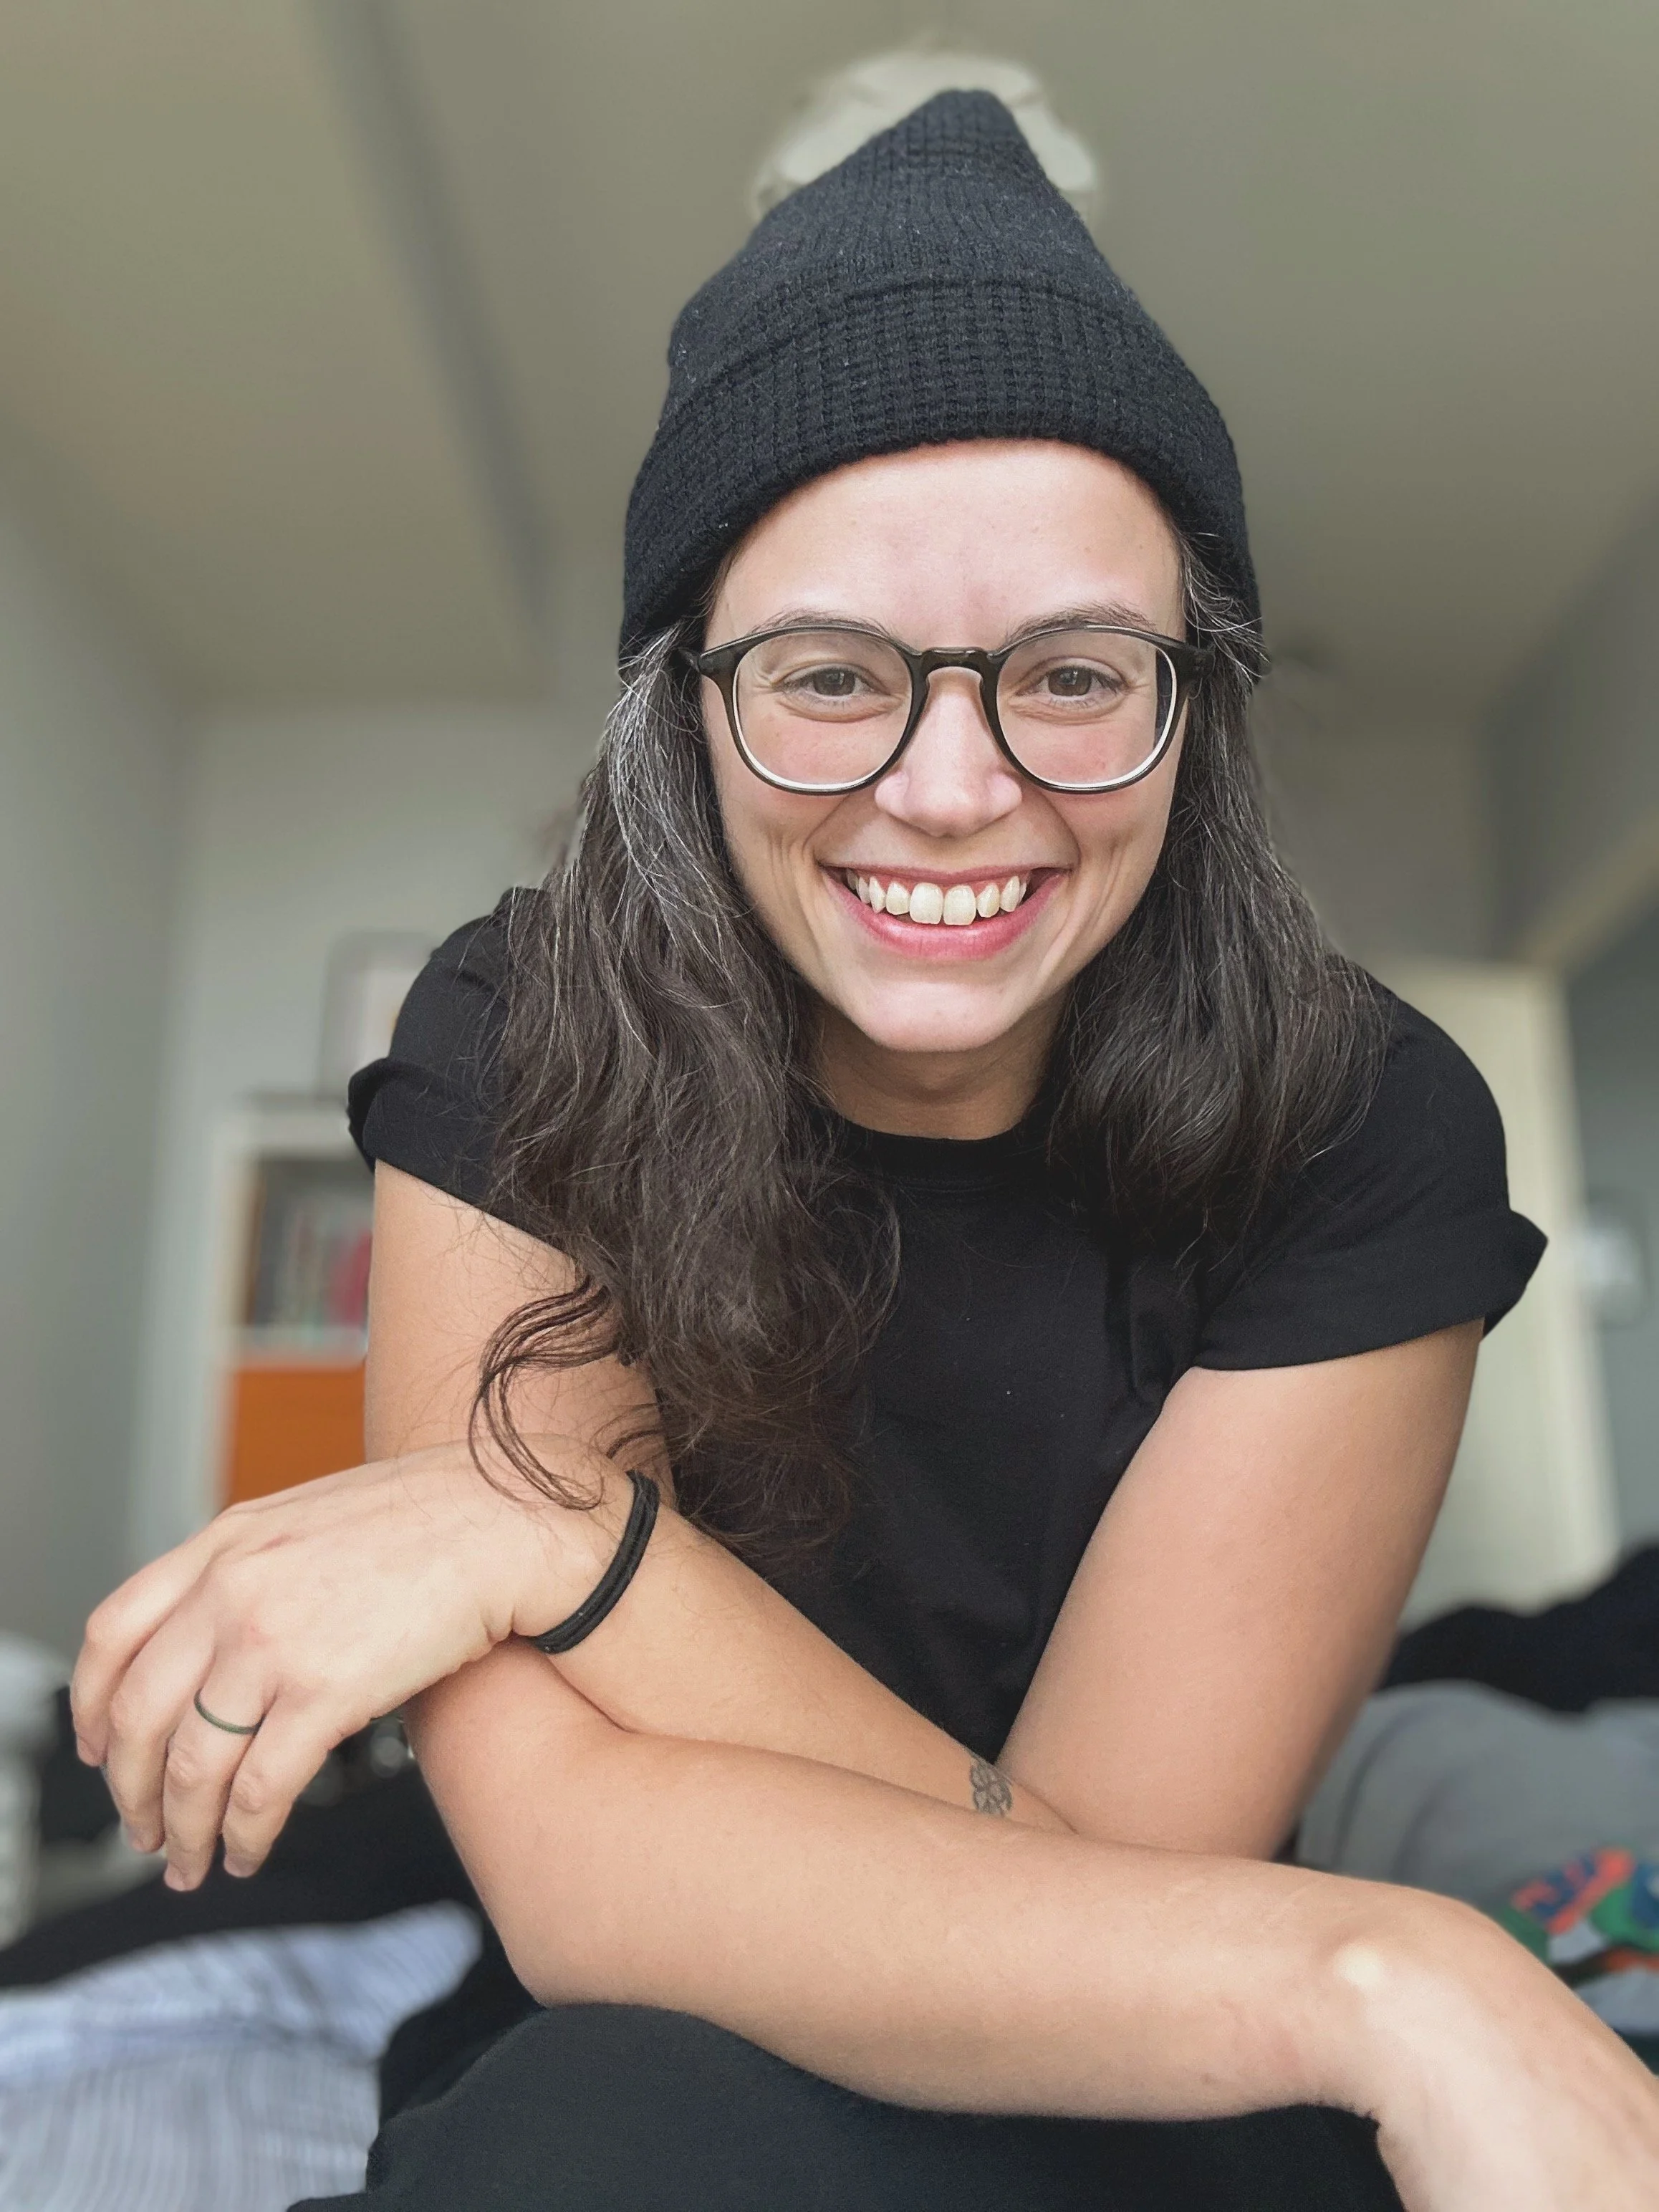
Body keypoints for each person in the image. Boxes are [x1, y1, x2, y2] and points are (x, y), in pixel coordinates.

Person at [71, 92, 1659, 2210]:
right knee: (595, 2127)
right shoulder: (525, 1030)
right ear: (685, 709)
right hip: (652, 2036)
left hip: (1164, 2024)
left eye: (1072, 674)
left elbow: (1119, 1893)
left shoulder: (1366, 1124)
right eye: (830, 677)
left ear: (1196, 712)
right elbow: (577, 1882)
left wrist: (567, 1556)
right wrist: (1375, 1974)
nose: (948, 786)